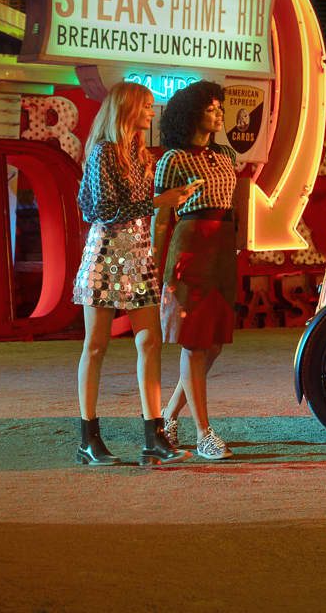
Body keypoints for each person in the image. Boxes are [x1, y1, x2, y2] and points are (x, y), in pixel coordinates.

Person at [73, 81, 201, 466]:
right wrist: (158, 201)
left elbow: (132, 205)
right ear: (127, 108)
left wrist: (172, 199)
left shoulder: (140, 154)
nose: (151, 112)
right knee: (96, 346)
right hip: (107, 255)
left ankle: (154, 434)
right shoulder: (103, 153)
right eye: (146, 106)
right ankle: (88, 438)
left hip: (139, 255)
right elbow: (103, 209)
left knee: (150, 340)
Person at [155, 80, 245, 462]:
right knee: (193, 341)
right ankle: (204, 432)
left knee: (215, 342)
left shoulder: (226, 154)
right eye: (211, 107)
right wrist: (154, 263)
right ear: (191, 113)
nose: (219, 112)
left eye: (219, 107)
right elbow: (161, 218)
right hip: (190, 247)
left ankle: (166, 417)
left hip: (223, 247)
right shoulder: (172, 160)